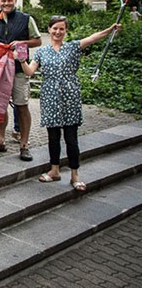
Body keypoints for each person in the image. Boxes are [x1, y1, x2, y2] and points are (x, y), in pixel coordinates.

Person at [17, 17, 121, 191]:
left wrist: (110, 29)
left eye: (61, 29)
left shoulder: (72, 46)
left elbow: (93, 38)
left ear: (65, 31)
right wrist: (21, 60)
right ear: (49, 29)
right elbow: (29, 72)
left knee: (71, 138)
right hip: (50, 96)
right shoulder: (42, 52)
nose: (58, 32)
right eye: (55, 28)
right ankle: (54, 170)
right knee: (53, 136)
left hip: (70, 95)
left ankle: (75, 175)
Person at [0, 0, 41, 161]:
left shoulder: (26, 19)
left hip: (19, 70)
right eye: (3, 1)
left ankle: (24, 144)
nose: (6, 4)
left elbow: (37, 40)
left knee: (22, 106)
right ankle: (0, 141)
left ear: (15, 1)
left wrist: (23, 42)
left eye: (10, 0)